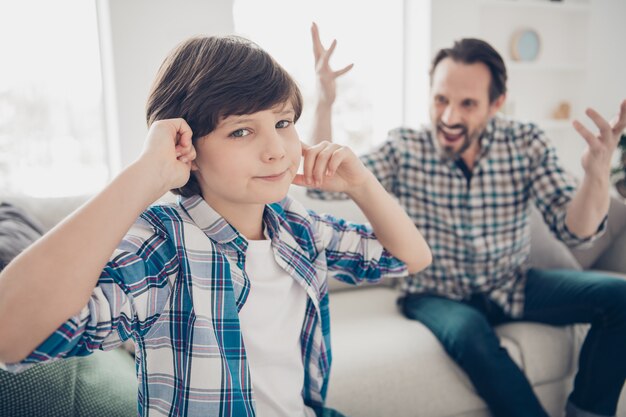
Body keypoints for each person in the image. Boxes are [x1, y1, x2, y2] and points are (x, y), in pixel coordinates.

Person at [0, 35, 432, 417]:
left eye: (282, 123)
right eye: (242, 131)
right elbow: (11, 336)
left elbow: (410, 257)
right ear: (184, 146)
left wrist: (361, 183)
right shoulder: (162, 246)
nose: (276, 151)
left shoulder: (297, 227)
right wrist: (145, 174)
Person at [309, 23, 626, 417]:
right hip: (436, 292)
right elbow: (323, 187)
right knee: (471, 335)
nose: (449, 116)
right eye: (440, 99)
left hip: (512, 283)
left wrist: (596, 175)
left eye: (468, 104)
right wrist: (324, 102)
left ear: (497, 104)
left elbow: (575, 231)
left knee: (620, 297)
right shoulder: (405, 147)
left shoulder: (526, 142)